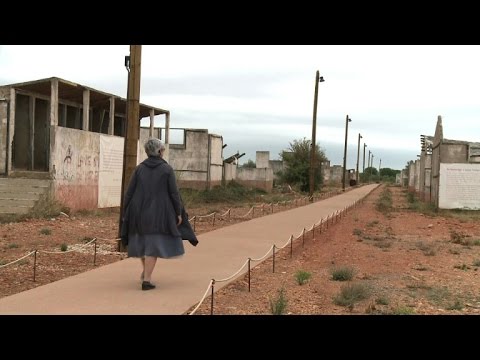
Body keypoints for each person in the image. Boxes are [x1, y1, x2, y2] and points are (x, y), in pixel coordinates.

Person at [121, 138, 184, 291]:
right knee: (153, 247)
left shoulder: (139, 169)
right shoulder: (166, 169)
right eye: (162, 149)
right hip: (158, 212)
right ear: (159, 151)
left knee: (143, 243)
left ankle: (145, 273)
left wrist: (125, 212)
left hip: (137, 210)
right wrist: (178, 212)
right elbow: (174, 193)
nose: (163, 152)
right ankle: (147, 280)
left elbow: (129, 192)